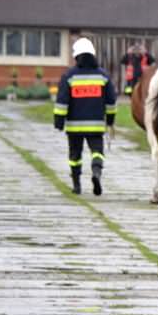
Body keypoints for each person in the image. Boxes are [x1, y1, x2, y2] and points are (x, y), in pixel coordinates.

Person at [54, 37, 117, 196]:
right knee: (97, 152)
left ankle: (77, 186)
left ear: (76, 56)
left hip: (74, 126)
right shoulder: (103, 76)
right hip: (95, 125)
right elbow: (111, 101)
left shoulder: (69, 76)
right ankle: (96, 173)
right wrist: (110, 120)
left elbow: (62, 101)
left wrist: (59, 121)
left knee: (75, 155)